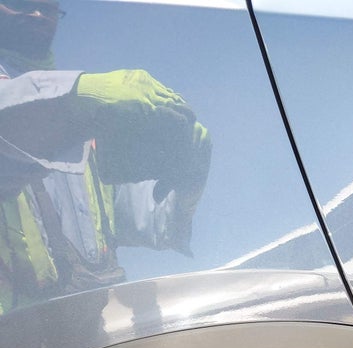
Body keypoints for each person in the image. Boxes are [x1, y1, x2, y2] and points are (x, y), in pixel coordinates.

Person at [0, 0, 211, 315]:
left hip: (93, 329)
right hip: (12, 335)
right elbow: (15, 120)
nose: (38, 14)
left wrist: (188, 187)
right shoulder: (75, 103)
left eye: (48, 7)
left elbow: (152, 221)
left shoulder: (85, 124)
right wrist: (80, 97)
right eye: (21, 3)